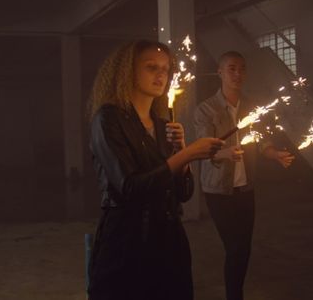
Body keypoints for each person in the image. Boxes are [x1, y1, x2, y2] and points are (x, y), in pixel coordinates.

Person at [86, 40, 224, 300]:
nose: (161, 75)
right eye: (151, 67)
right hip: (128, 240)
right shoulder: (108, 119)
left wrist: (182, 155)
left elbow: (183, 193)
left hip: (169, 238)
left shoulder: (163, 126)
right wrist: (186, 154)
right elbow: (129, 188)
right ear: (127, 71)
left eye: (165, 69)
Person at [194, 51, 295, 300]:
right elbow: (202, 149)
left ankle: (234, 293)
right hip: (218, 190)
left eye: (242, 69)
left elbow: (261, 141)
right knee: (235, 247)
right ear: (220, 72)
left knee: (243, 249)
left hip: (245, 189)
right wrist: (224, 152)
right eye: (231, 68)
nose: (238, 74)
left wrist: (274, 154)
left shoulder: (250, 108)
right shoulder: (206, 109)